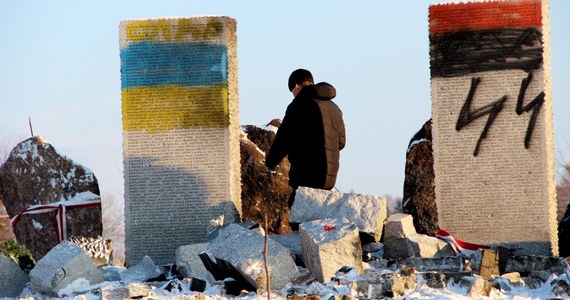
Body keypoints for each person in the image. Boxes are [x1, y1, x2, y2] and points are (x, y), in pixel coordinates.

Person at [265, 68, 346, 209]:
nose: (293, 95)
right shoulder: (334, 108)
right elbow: (341, 142)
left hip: (307, 175)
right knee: (320, 215)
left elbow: (283, 140)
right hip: (330, 177)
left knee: (297, 212)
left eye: (292, 91)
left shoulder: (298, 105)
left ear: (296, 86)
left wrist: (270, 162)